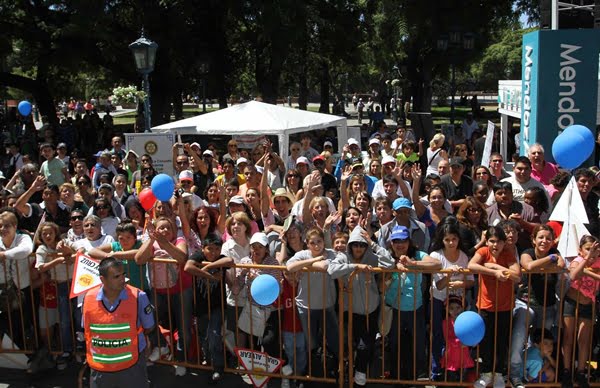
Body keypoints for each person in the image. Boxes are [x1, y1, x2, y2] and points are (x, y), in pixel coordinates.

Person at [328, 226, 391, 386]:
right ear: (350, 245)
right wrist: (355, 267)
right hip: (352, 311)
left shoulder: (371, 257)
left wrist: (373, 243)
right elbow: (332, 270)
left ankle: (359, 372)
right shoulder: (343, 257)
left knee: (368, 345)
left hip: (372, 309)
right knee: (360, 346)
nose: (358, 248)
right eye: (355, 244)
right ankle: (358, 373)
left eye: (362, 245)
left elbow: (390, 263)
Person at [82, 258, 155, 388]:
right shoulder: (88, 298)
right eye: (116, 276)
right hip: (100, 368)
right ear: (102, 279)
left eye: (123, 275)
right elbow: (87, 328)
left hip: (132, 367)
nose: (122, 279)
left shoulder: (139, 296)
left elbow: (149, 327)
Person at [381, 225, 441, 380]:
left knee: (419, 344)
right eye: (396, 241)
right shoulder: (387, 256)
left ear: (409, 242)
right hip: (393, 308)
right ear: (391, 243)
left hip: (416, 307)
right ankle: (394, 376)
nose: (400, 244)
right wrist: (393, 270)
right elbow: (381, 286)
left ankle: (420, 375)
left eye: (403, 240)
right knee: (393, 344)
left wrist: (413, 264)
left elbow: (437, 264)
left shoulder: (418, 255)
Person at [509, 225, 564, 388]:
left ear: (553, 240)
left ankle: (534, 374)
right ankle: (515, 374)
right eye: (540, 237)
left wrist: (551, 260)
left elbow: (560, 266)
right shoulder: (528, 252)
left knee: (542, 344)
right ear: (533, 239)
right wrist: (550, 260)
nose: (544, 241)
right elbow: (529, 266)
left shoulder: (557, 253)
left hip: (547, 306)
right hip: (525, 304)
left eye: (548, 238)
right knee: (519, 339)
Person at [469, 226, 521, 388]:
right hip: (485, 305)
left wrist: (497, 267)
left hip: (504, 307)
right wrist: (493, 272)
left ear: (504, 243)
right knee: (485, 341)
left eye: (498, 241)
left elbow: (517, 276)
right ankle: (486, 373)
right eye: (491, 241)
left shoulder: (508, 254)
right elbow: (472, 265)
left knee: (501, 341)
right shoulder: (483, 251)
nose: (494, 245)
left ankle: (499, 374)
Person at [286, 228, 341, 372]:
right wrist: (314, 259)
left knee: (334, 340)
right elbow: (289, 267)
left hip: (327, 306)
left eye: (319, 241)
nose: (316, 245)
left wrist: (305, 264)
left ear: (324, 241)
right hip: (306, 307)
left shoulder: (332, 254)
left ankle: (335, 371)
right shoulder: (302, 254)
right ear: (307, 244)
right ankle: (310, 372)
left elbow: (324, 267)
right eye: (312, 243)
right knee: (310, 343)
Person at [184, 233, 233, 384]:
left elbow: (230, 261)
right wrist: (210, 276)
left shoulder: (220, 258)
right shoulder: (198, 256)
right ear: (203, 248)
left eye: (216, 249)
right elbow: (187, 267)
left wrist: (210, 265)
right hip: (200, 307)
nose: (213, 252)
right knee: (203, 336)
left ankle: (218, 367)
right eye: (209, 249)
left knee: (213, 336)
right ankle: (209, 360)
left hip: (218, 306)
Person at [429, 223, 474, 381]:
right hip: (439, 301)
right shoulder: (436, 256)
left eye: (454, 239)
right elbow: (439, 285)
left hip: (458, 304)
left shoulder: (463, 256)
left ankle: (458, 369)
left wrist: (461, 283)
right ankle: (437, 371)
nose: (451, 242)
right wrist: (449, 274)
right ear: (442, 240)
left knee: (458, 338)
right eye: (447, 239)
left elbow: (471, 281)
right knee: (439, 336)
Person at [34, 222, 75, 370]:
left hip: (77, 284)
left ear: (55, 233)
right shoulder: (42, 249)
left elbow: (81, 250)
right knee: (64, 320)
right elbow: (40, 267)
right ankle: (67, 350)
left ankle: (82, 349)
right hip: (62, 285)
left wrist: (67, 251)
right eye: (44, 234)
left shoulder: (64, 242)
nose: (47, 236)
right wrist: (58, 260)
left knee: (79, 317)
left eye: (50, 233)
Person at [561, 236, 600, 388]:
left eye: (595, 250)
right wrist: (586, 260)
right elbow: (573, 275)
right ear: (581, 250)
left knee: (583, 339)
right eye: (588, 249)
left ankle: (581, 371)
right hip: (571, 302)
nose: (592, 253)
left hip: (587, 304)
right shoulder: (577, 260)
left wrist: (588, 273)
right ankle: (566, 371)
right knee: (568, 338)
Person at [441, 296, 475, 382]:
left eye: (458, 307)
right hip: (451, 356)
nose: (455, 310)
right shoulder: (446, 323)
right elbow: (447, 339)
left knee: (463, 380)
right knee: (451, 381)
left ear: (462, 308)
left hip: (464, 357)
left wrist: (472, 341)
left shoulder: (467, 322)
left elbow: (472, 336)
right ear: (447, 310)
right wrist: (461, 342)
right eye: (451, 308)